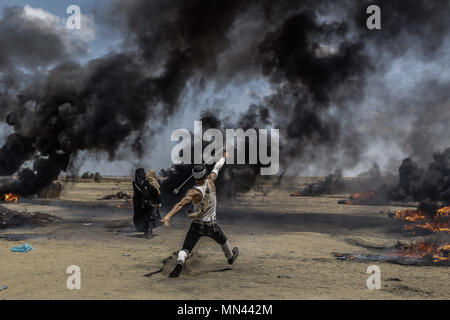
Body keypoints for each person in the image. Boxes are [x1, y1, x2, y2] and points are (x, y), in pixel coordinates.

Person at [160, 151, 239, 278]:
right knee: (223, 240)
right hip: (212, 225)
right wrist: (224, 157)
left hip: (197, 225)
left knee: (186, 248)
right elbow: (217, 167)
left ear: (194, 176)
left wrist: (168, 216)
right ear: (204, 174)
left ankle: (180, 262)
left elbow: (180, 204)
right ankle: (230, 257)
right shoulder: (211, 181)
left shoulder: (193, 192)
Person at [133, 168, 161, 238]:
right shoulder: (139, 182)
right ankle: (146, 231)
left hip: (147, 201)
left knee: (149, 216)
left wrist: (158, 201)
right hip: (142, 201)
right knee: (147, 216)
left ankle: (148, 231)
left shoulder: (148, 182)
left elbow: (156, 193)